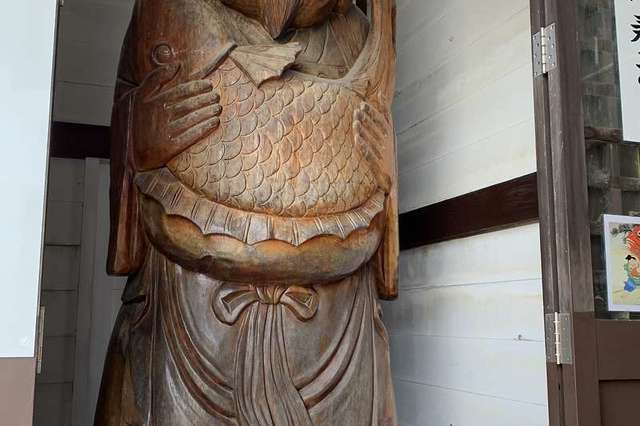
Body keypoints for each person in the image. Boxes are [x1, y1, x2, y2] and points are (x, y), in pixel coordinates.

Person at [96, 0, 399, 425]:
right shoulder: (170, 11)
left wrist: (387, 164)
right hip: (194, 306)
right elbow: (129, 100)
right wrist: (138, 135)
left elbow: (380, 153)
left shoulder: (355, 33)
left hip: (336, 314)